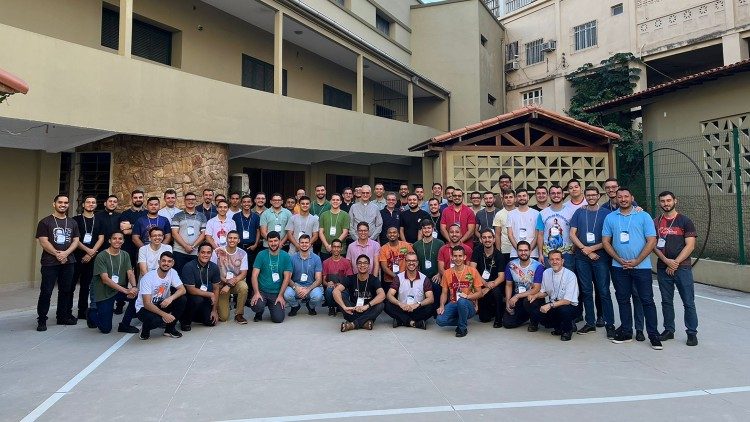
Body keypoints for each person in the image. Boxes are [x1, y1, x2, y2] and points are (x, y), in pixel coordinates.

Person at [602, 187, 662, 350]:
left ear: (632, 197)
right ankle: (627, 332)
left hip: (641, 267)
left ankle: (654, 335)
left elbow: (651, 240)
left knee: (647, 301)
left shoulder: (643, 216)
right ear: (616, 199)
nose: (623, 199)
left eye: (626, 196)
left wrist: (637, 261)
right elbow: (606, 241)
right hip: (618, 266)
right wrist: (618, 259)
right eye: (620, 197)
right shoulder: (610, 217)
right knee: (622, 300)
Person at [653, 191, 699, 346]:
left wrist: (676, 262)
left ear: (675, 201)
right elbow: (652, 244)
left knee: (688, 301)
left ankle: (692, 333)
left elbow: (690, 245)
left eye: (668, 200)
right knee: (666, 301)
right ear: (659, 203)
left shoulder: (685, 221)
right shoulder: (656, 222)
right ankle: (669, 330)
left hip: (683, 268)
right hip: (662, 267)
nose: (666, 203)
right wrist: (666, 260)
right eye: (663, 201)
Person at [570, 186, 614, 338]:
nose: (591, 197)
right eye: (588, 195)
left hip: (601, 258)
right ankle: (590, 323)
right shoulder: (579, 212)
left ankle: (610, 324)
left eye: (593, 195)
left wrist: (593, 249)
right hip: (582, 258)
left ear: (598, 196)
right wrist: (584, 249)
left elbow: (610, 238)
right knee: (586, 291)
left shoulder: (606, 214)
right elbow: (572, 234)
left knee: (604, 291)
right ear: (585, 196)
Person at [35, 194, 80, 331]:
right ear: (54, 204)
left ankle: (62, 316)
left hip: (69, 261)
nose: (63, 204)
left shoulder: (72, 222)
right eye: (60, 202)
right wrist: (57, 254)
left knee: (65, 291)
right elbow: (43, 241)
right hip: (50, 263)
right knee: (46, 292)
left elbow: (76, 240)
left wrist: (66, 253)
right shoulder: (45, 222)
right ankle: (42, 319)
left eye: (66, 202)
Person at [90, 231, 139, 334]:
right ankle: (92, 312)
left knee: (138, 296)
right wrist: (126, 290)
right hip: (104, 292)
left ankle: (124, 325)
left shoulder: (125, 254)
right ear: (109, 241)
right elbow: (105, 279)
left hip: (118, 289)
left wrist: (134, 287)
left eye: (120, 238)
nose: (117, 241)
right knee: (105, 329)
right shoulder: (101, 256)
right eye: (114, 238)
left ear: (123, 241)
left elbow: (130, 273)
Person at [526, 250, 579, 341]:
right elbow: (545, 292)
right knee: (530, 302)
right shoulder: (546, 272)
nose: (555, 262)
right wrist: (535, 296)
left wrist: (550, 305)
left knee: (563, 309)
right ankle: (557, 326)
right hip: (554, 304)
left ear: (562, 261)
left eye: (557, 259)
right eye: (552, 259)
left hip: (568, 306)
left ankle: (567, 330)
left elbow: (568, 300)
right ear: (549, 261)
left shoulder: (570, 275)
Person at [135, 251, 187, 340]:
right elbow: (147, 303)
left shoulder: (172, 272)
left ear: (172, 263)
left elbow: (182, 290)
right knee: (156, 321)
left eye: (169, 261)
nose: (166, 263)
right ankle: (145, 330)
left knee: (182, 299)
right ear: (159, 262)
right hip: (144, 308)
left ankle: (169, 330)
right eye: (164, 261)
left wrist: (170, 298)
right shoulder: (148, 277)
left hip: (161, 303)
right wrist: (164, 315)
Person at [436, 246, 484, 337]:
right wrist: (441, 306)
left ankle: (462, 328)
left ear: (465, 257)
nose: (458, 259)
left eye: (460, 256)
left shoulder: (472, 271)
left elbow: (480, 293)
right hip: (453, 303)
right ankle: (462, 320)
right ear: (452, 257)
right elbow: (444, 292)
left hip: (469, 304)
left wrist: (467, 296)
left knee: (461, 300)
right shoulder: (447, 273)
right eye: (455, 256)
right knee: (440, 320)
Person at [333, 254, 386, 331]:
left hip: (368, 309)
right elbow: (336, 291)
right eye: (360, 263)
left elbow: (382, 295)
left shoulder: (374, 279)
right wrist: (344, 307)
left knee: (381, 305)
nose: (362, 265)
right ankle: (365, 323)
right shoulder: (350, 278)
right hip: (353, 309)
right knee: (340, 297)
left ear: (369, 265)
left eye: (365, 263)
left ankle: (352, 324)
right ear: (356, 265)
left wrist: (367, 306)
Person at [72, 195, 105, 320]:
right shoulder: (75, 220)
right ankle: (67, 311)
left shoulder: (99, 220)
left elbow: (101, 238)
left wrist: (91, 253)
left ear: (96, 205)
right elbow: (74, 239)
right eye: (88, 202)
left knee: (86, 285)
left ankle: (82, 311)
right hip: (76, 256)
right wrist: (87, 251)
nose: (91, 204)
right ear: (83, 205)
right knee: (71, 285)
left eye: (93, 202)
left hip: (92, 257)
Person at [249, 231, 292, 323]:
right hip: (262, 291)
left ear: (280, 241)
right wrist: (256, 292)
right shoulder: (261, 254)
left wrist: (281, 295)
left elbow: (287, 278)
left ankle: (272, 306)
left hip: (276, 293)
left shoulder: (286, 256)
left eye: (275, 241)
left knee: (278, 319)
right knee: (257, 306)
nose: (273, 243)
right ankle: (259, 312)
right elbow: (254, 275)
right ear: (267, 242)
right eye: (270, 241)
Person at [385, 252, 434, 329]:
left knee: (431, 307)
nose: (411, 263)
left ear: (417, 262)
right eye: (409, 261)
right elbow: (389, 295)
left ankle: (401, 320)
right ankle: (414, 323)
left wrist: (417, 305)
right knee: (387, 304)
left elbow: (430, 298)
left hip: (417, 308)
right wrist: (400, 304)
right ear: (405, 262)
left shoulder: (424, 278)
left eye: (414, 261)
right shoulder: (399, 277)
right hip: (402, 308)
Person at [209, 230, 250, 324]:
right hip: (221, 284)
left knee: (244, 287)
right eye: (230, 238)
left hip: (235, 283)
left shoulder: (243, 253)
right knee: (223, 318)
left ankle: (239, 314)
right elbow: (213, 272)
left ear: (239, 240)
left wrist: (229, 284)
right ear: (226, 239)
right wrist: (226, 282)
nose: (232, 240)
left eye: (235, 238)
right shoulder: (218, 251)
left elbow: (243, 274)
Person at [502, 241, 544, 329]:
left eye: (526, 250)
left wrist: (517, 296)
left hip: (533, 297)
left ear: (530, 251)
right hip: (518, 297)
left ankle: (534, 321)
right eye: (520, 250)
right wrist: (508, 302)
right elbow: (508, 285)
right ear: (517, 251)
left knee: (528, 301)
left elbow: (536, 288)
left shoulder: (538, 266)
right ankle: (525, 315)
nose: (523, 253)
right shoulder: (511, 265)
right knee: (507, 323)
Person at [179, 243, 219, 330]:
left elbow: (216, 288)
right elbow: (191, 290)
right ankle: (185, 320)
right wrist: (210, 294)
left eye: (208, 253)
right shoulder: (189, 266)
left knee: (210, 322)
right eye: (203, 252)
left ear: (211, 254)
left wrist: (214, 310)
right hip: (190, 297)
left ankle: (196, 316)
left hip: (205, 297)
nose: (205, 255)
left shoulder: (214, 267)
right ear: (198, 253)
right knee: (197, 299)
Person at [471, 229, 507, 327]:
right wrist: (485, 284)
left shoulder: (499, 255)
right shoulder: (477, 251)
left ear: (494, 239)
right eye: (484, 237)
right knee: (484, 318)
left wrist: (489, 286)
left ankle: (499, 319)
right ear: (481, 239)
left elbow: (501, 277)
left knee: (496, 292)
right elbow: (472, 269)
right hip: (481, 284)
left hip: (495, 284)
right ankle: (491, 311)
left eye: (489, 237)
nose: (487, 240)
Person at [535, 185, 575, 269]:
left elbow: (575, 233)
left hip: (567, 253)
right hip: (549, 253)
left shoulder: (571, 212)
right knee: (550, 279)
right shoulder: (542, 213)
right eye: (553, 193)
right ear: (549, 195)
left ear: (563, 194)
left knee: (568, 278)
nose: (556, 195)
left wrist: (574, 249)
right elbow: (540, 235)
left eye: (558, 193)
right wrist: (540, 254)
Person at [284, 234, 324, 316]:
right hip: (296, 286)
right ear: (298, 244)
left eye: (306, 242)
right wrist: (296, 287)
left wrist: (308, 289)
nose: (304, 245)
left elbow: (319, 279)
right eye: (302, 242)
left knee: (318, 295)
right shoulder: (292, 258)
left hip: (311, 286)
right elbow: (288, 277)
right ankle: (295, 306)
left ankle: (310, 306)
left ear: (310, 244)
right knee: (287, 294)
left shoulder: (316, 258)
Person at [171, 192, 207, 275]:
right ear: (184, 201)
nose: (190, 201)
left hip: (195, 252)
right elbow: (174, 233)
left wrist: (193, 246)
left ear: (196, 201)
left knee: (194, 275)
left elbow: (203, 234)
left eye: (193, 199)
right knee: (178, 275)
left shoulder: (202, 216)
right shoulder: (177, 215)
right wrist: (185, 246)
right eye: (188, 199)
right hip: (179, 251)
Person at [413, 219, 444, 306]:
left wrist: (439, 274)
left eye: (429, 228)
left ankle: (436, 312)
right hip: (422, 276)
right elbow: (415, 263)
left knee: (436, 287)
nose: (427, 230)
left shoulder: (440, 243)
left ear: (433, 229)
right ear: (421, 230)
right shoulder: (416, 245)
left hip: (436, 276)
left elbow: (443, 261)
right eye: (424, 228)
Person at [322, 239, 354, 316]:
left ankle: (340, 306)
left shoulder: (346, 262)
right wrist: (327, 284)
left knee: (343, 293)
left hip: (343, 288)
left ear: (341, 248)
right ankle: (331, 307)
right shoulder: (326, 262)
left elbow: (350, 278)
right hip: (331, 287)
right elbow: (323, 281)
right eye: (334, 247)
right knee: (329, 291)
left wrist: (342, 285)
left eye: (338, 247)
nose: (336, 249)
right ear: (331, 248)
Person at [506, 189, 540, 259]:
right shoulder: (510, 214)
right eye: (519, 196)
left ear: (528, 197)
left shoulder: (536, 214)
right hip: (515, 254)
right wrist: (519, 250)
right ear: (516, 198)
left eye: (524, 196)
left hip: (532, 253)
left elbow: (537, 235)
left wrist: (529, 250)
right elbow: (510, 235)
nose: (522, 198)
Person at [318, 193, 350, 261]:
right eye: (333, 200)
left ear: (341, 202)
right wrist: (327, 246)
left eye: (337, 200)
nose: (335, 201)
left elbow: (345, 233)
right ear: (330, 201)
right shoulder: (324, 215)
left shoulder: (345, 215)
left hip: (340, 249)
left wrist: (334, 246)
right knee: (325, 270)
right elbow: (321, 232)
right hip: (325, 249)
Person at [233, 194, 261, 267]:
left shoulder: (256, 216)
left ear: (251, 203)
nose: (246, 204)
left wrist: (255, 244)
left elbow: (258, 231)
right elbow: (233, 231)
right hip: (239, 247)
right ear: (241, 204)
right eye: (244, 202)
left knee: (251, 268)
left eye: (248, 202)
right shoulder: (236, 216)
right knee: (238, 267)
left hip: (252, 248)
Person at [492, 189, 516, 263]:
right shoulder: (499, 214)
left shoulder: (519, 212)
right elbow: (497, 234)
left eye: (510, 197)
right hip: (505, 249)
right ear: (502, 200)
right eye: (506, 197)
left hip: (519, 249)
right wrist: (498, 251)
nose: (508, 199)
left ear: (515, 199)